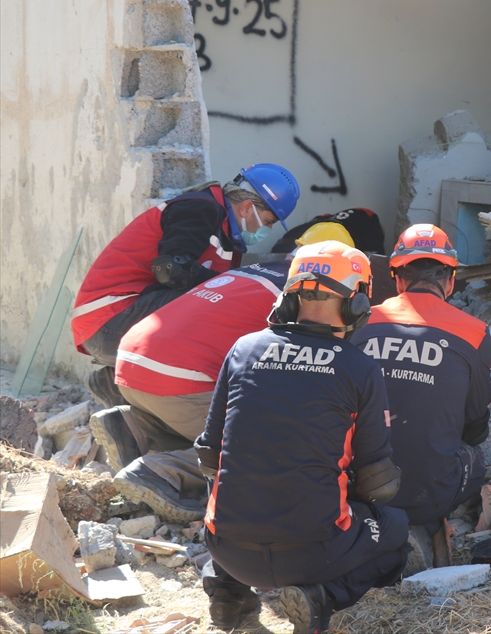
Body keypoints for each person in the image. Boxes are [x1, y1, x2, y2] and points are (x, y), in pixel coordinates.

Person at [196, 242, 408, 633]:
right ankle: (322, 596)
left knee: (229, 489)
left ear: (289, 297)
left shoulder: (243, 349)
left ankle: (228, 593)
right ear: (358, 303)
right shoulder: (359, 368)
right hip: (314, 555)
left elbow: (209, 456)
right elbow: (378, 483)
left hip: (227, 549)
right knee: (396, 527)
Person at [72, 164, 299, 408]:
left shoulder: (227, 236)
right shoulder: (200, 209)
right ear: (246, 208)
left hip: (117, 323)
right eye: (268, 221)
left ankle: (116, 385)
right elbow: (171, 270)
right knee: (213, 307)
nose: (267, 229)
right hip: (107, 320)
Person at [90, 259, 291, 522]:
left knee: (201, 419)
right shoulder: (305, 296)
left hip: (130, 362)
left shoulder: (256, 271)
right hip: (177, 380)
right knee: (268, 446)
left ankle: (134, 427)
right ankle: (160, 471)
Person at [350, 224, 491, 536]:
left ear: (397, 279)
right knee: (476, 457)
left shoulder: (360, 324)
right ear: (450, 281)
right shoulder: (474, 332)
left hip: (357, 490)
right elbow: (475, 426)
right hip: (429, 499)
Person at [272, 208, 385, 255]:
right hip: (307, 244)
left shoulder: (330, 217)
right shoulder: (370, 221)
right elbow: (375, 263)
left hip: (291, 238)